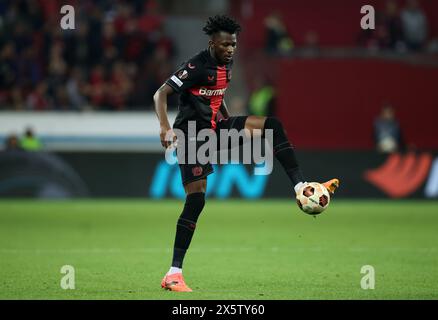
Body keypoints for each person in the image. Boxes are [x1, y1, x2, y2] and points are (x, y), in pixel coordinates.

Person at [153, 15, 340, 292]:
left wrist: (229, 120)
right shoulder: (195, 66)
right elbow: (160, 94)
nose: (230, 50)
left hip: (217, 131)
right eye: (225, 44)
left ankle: (301, 187)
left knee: (272, 126)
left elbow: (217, 94)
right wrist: (165, 129)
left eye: (234, 45)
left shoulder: (226, 66)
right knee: (196, 200)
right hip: (192, 136)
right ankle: (173, 274)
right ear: (212, 43)